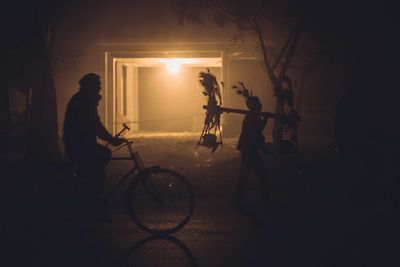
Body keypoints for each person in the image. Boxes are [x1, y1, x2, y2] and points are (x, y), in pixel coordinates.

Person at [63, 73, 125, 222]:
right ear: (90, 86)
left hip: (80, 143)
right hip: (80, 144)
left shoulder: (82, 99)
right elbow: (94, 125)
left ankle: (90, 198)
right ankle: (94, 205)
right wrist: (111, 139)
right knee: (97, 170)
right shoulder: (83, 101)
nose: (100, 87)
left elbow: (94, 125)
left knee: (101, 158)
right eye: (98, 85)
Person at [234, 95, 271, 210]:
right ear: (254, 106)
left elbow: (256, 134)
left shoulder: (253, 116)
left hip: (248, 149)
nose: (261, 105)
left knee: (244, 175)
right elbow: (257, 131)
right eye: (258, 103)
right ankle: (265, 202)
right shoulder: (252, 117)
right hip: (249, 150)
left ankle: (238, 200)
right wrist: (266, 118)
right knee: (262, 175)